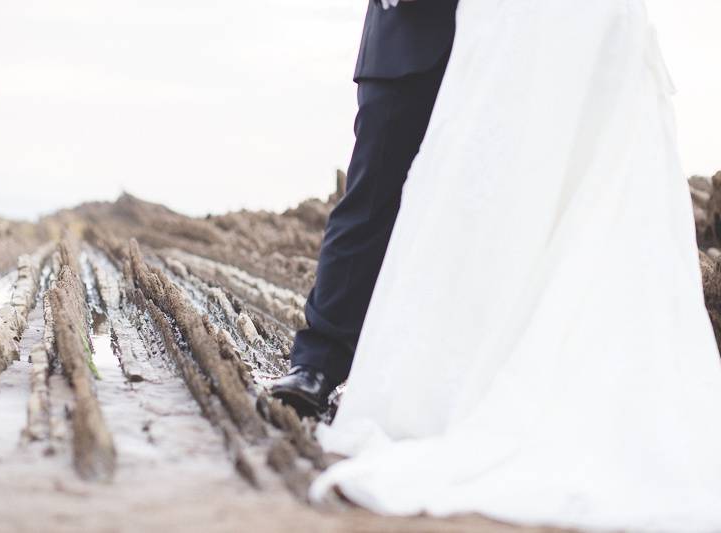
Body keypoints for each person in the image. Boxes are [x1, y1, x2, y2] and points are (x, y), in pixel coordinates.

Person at [303, 0, 721, 530]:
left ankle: (547, 387)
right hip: (449, 31)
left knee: (577, 192)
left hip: (562, 29)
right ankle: (335, 363)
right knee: (433, 199)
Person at [270, 0, 458, 414]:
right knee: (368, 204)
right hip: (408, 39)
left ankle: (452, 374)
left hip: (507, 55)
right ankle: (317, 364)